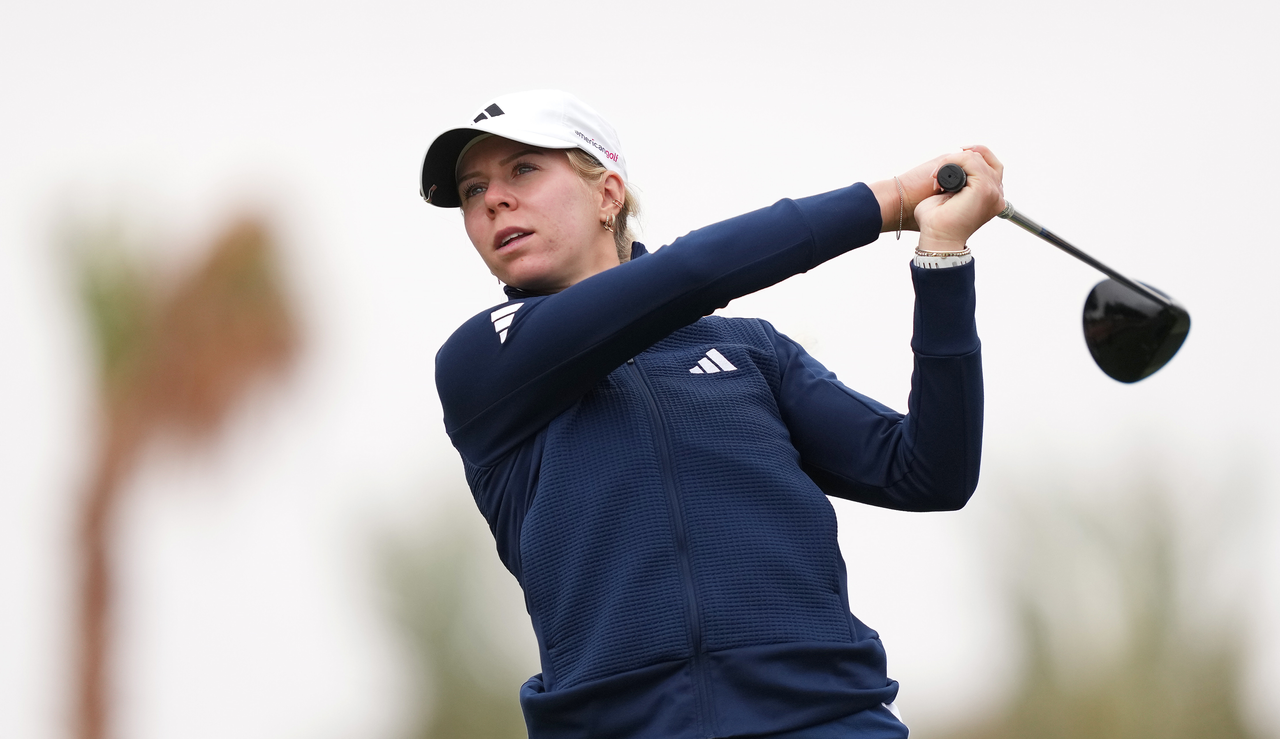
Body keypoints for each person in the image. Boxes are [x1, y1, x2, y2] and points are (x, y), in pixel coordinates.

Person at [422, 89, 1004, 739]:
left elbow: (929, 472)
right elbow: (690, 275)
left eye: (524, 169)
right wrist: (891, 199)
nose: (494, 199)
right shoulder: (484, 363)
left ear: (608, 193)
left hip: (827, 720)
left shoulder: (750, 351)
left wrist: (943, 256)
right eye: (473, 190)